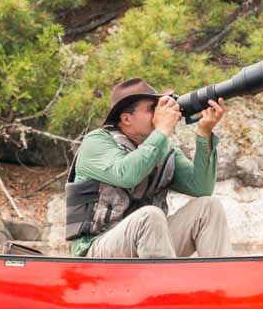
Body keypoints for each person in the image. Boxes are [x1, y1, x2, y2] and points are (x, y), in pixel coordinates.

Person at [65, 78, 233, 258]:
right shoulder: (96, 142)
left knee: (209, 206)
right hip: (96, 251)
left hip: (152, 245)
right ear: (126, 119)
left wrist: (204, 133)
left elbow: (201, 187)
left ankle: (220, 282)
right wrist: (161, 131)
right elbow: (127, 175)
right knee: (150, 216)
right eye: (151, 109)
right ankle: (164, 284)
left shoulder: (163, 148)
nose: (159, 114)